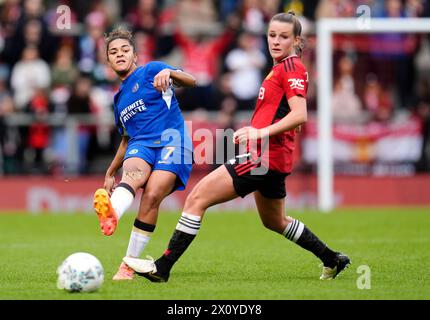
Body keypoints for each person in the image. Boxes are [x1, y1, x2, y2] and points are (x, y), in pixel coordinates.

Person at [124, 11, 351, 282]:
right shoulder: (280, 68)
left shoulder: (291, 68)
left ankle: (162, 267)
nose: (276, 41)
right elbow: (288, 115)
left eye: (284, 36)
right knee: (275, 221)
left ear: (297, 40)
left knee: (197, 198)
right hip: (274, 158)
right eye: (272, 35)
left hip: (262, 157)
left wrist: (259, 132)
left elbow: (300, 114)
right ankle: (332, 258)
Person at [93, 28, 196, 280]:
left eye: (124, 50)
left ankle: (127, 265)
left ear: (135, 56)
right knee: (132, 175)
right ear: (107, 61)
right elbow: (126, 139)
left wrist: (170, 72)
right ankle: (113, 213)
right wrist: (109, 172)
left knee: (151, 196)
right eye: (113, 52)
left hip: (173, 141)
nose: (119, 55)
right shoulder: (118, 101)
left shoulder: (151, 70)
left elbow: (191, 80)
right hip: (141, 144)